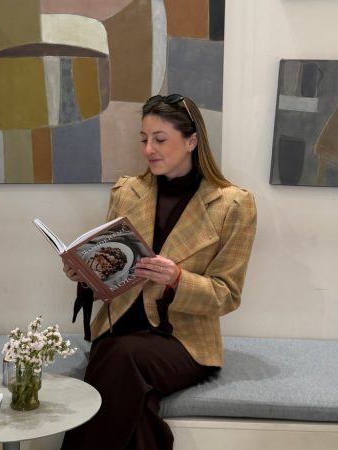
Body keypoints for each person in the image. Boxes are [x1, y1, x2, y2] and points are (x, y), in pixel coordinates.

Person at [60, 94, 257, 450]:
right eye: (144, 139)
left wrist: (178, 280)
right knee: (131, 387)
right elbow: (111, 268)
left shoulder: (233, 205)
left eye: (160, 139)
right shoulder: (127, 191)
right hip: (119, 327)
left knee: (118, 357)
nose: (148, 149)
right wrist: (86, 273)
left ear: (192, 141)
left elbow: (227, 295)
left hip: (182, 341)